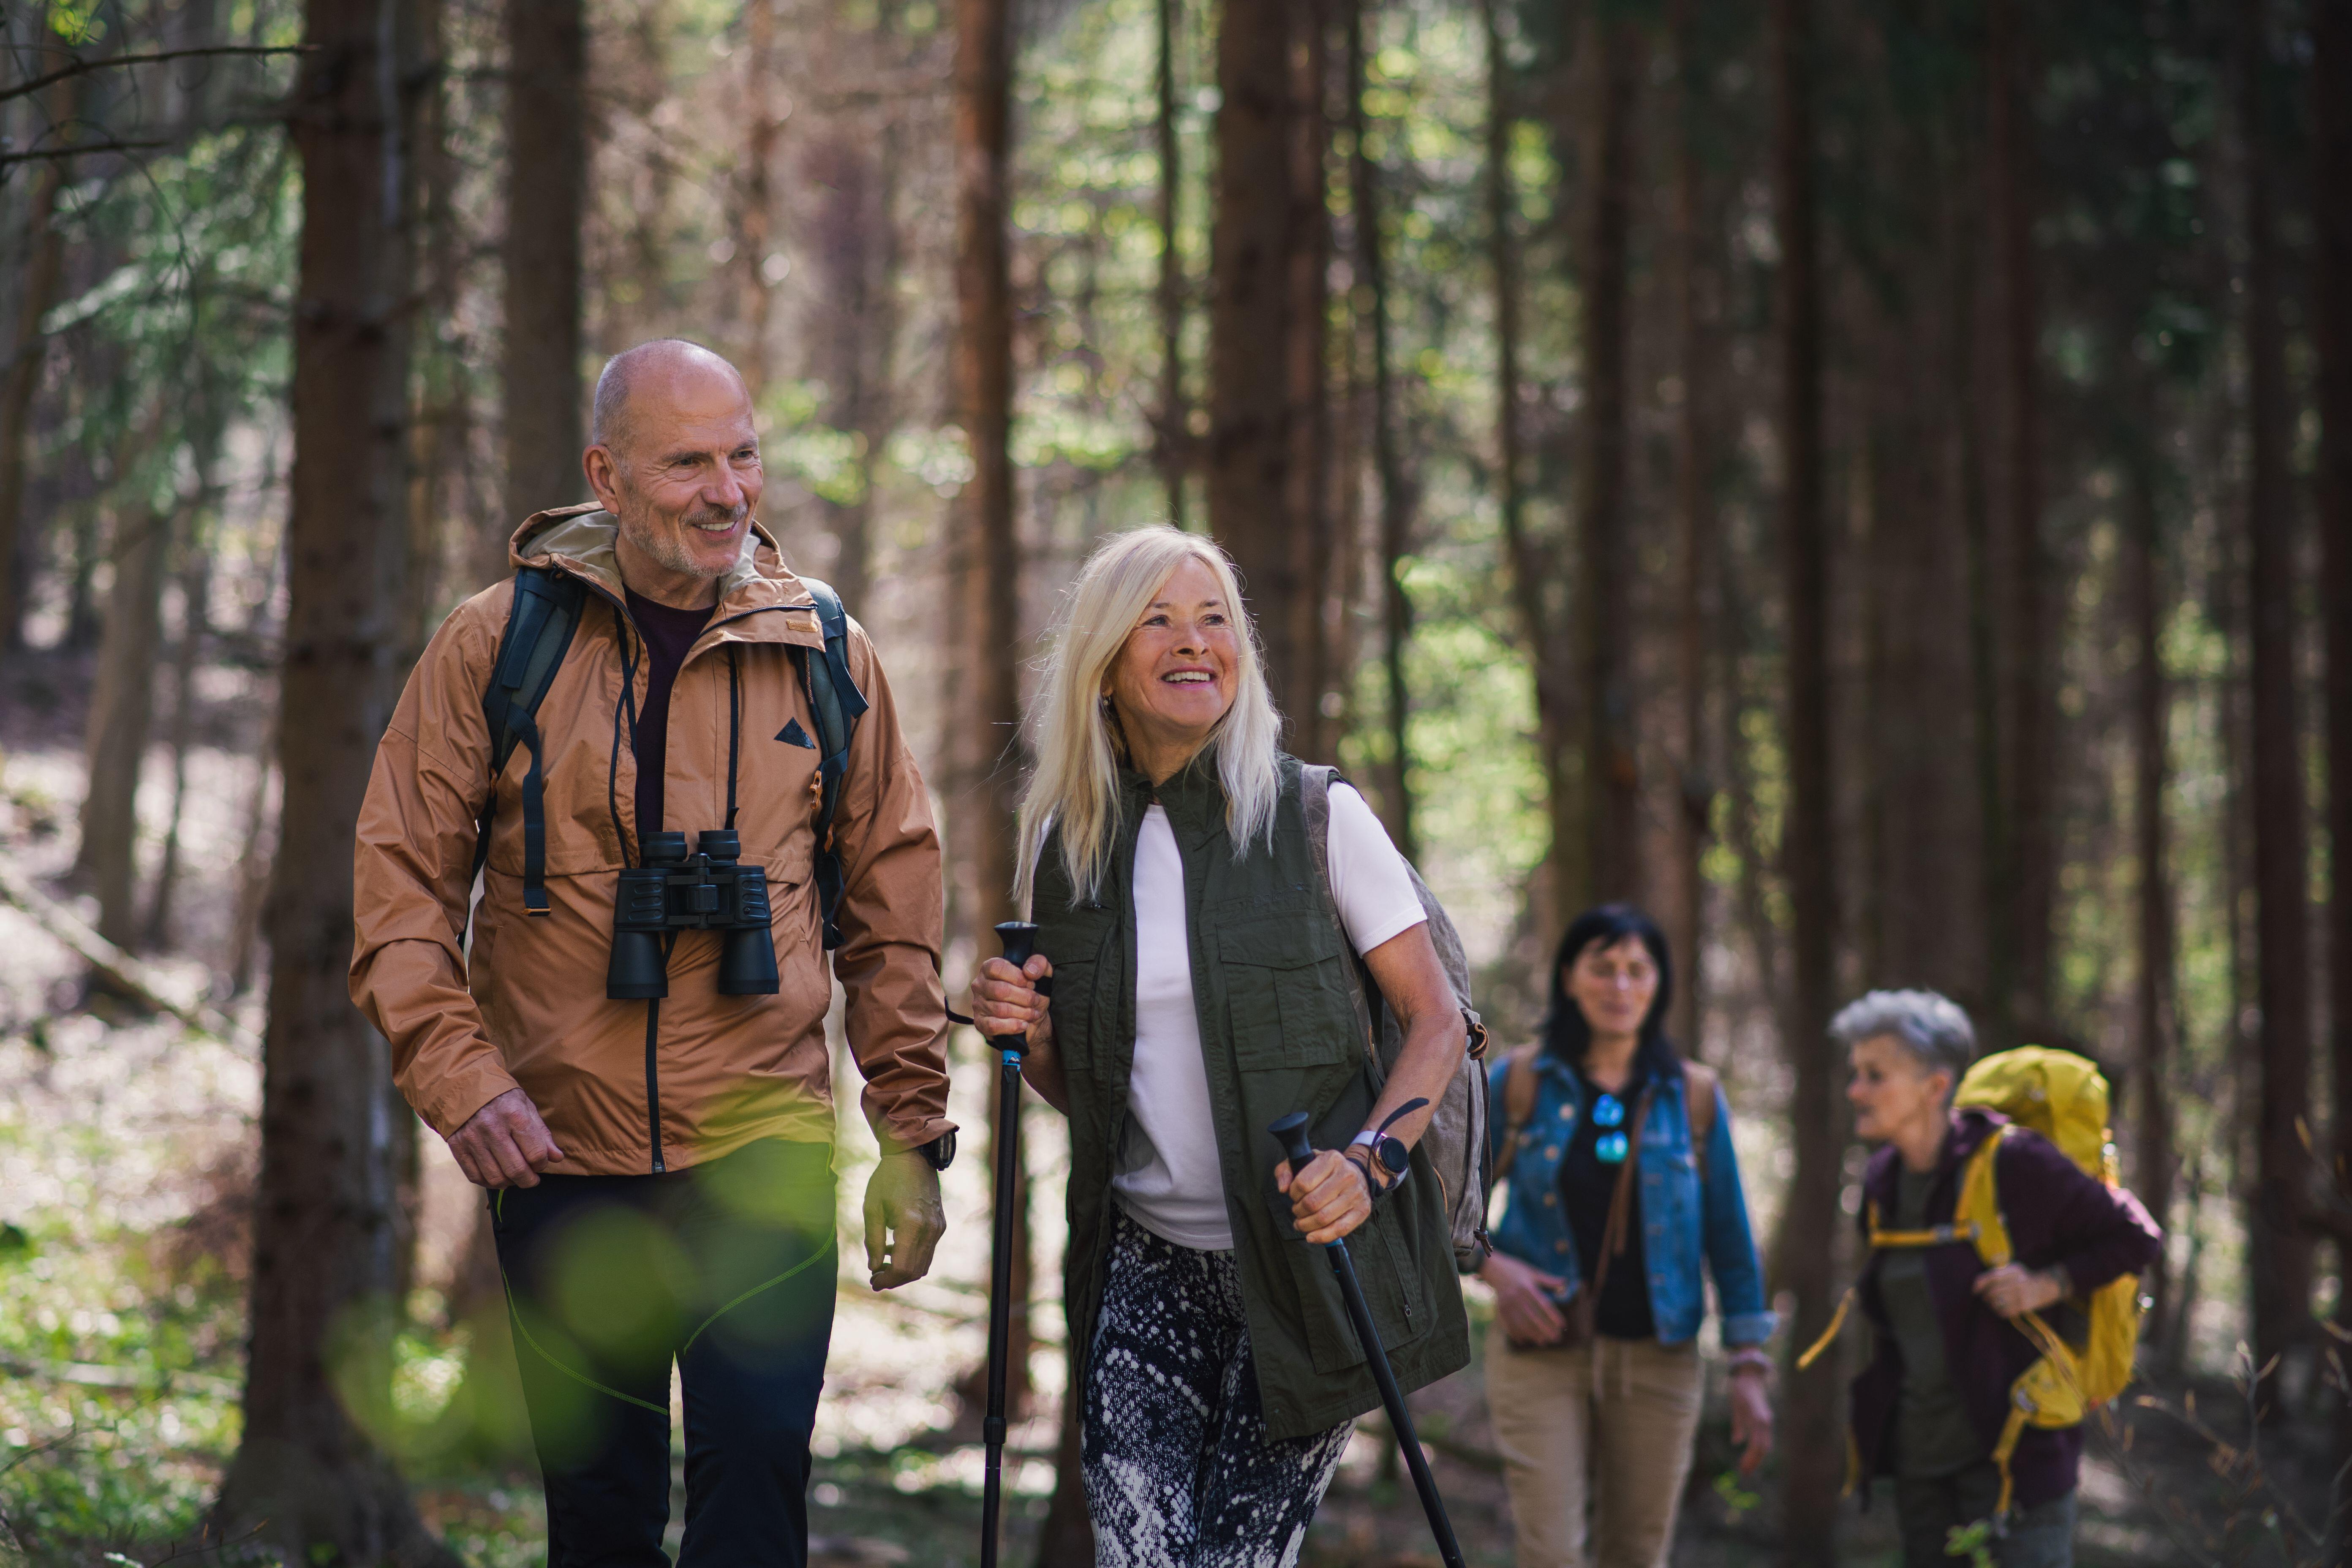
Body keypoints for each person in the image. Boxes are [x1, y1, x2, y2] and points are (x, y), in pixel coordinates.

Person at [351, 339, 956, 1567]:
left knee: (754, 1510)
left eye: (743, 456)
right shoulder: (498, 643)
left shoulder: (826, 650)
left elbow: (894, 910)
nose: (727, 491)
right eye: (686, 462)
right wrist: (462, 1081)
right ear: (607, 476)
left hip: (764, 1154)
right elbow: (401, 886)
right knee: (603, 1519)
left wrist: (912, 1134)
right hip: (565, 1154)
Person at [967, 525, 1470, 1568]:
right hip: (1145, 1264)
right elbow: (1088, 1087)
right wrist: (1026, 1032)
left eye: (1214, 619)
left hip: (1308, 1273)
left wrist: (1370, 1162)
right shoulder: (1068, 845)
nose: (1195, 642)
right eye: (1158, 619)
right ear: (1105, 663)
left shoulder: (1316, 815)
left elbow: (1439, 1024)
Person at [1478, 903, 1777, 1568]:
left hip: (1660, 1360)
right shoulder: (1522, 1083)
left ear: (1659, 985)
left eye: (1638, 971)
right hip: (1542, 1353)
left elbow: (1729, 1233)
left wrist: (1749, 1363)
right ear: (1569, 978)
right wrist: (1495, 1268)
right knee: (1551, 1554)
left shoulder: (1693, 1094)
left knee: (1636, 1557)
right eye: (1603, 968)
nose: (1621, 986)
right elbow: (1446, 1202)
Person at [1835, 989, 2162, 1568]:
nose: (1855, 1091)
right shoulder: (1884, 1178)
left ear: (1936, 1087)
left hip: (2018, 1468)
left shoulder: (2016, 1163)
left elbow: (2136, 1236)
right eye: (1855, 1073)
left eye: (1875, 1075)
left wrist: (2052, 1282)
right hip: (1921, 1469)